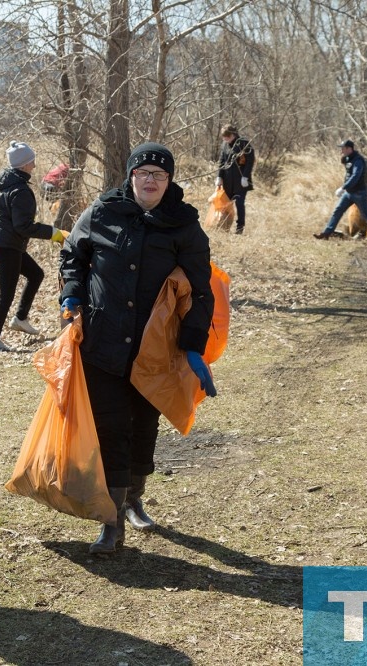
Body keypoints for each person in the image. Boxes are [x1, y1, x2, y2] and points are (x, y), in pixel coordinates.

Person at [59, 142, 217, 554]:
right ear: (130, 177)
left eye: (159, 175)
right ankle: (112, 524)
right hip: (103, 340)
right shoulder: (102, 212)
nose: (151, 180)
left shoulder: (183, 225)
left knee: (143, 426)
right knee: (110, 427)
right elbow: (73, 255)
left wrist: (193, 345)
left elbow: (201, 290)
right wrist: (71, 294)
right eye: (143, 172)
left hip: (155, 349)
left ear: (169, 182)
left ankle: (133, 498)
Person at [0, 141, 65, 352]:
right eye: (32, 162)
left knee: (36, 274)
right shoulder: (20, 191)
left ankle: (20, 318)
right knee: (6, 294)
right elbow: (24, 227)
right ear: (23, 165)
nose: (34, 166)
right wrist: (54, 234)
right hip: (7, 245)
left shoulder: (3, 181)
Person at [314, 139, 367, 244]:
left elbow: (355, 176)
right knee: (337, 211)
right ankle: (326, 233)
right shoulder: (349, 158)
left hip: (359, 193)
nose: (341, 151)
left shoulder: (358, 161)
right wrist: (346, 189)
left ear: (349, 149)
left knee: (366, 215)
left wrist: (343, 187)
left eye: (343, 148)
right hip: (349, 193)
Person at [215, 124, 255, 235]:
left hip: (241, 180)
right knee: (225, 204)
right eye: (223, 137)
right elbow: (222, 161)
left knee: (239, 203)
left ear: (233, 135)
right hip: (227, 180)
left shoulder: (244, 143)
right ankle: (224, 226)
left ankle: (240, 228)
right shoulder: (225, 144)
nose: (224, 139)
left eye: (226, 137)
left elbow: (250, 161)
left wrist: (245, 176)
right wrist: (219, 176)